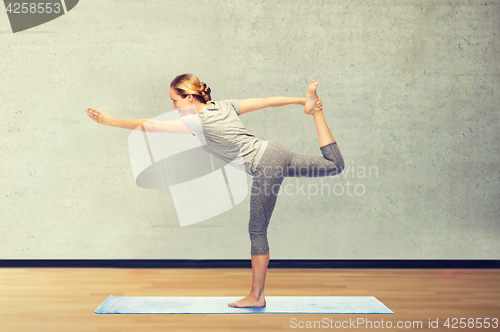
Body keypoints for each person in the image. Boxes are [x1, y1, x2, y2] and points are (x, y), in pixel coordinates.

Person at [85, 73, 344, 308]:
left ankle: (257, 296)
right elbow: (265, 100)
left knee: (257, 230)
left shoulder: (198, 122)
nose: (173, 108)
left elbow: (150, 126)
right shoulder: (224, 105)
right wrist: (303, 101)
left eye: (175, 101)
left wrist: (111, 121)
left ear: (189, 96)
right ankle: (317, 114)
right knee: (334, 166)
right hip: (275, 152)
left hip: (265, 163)